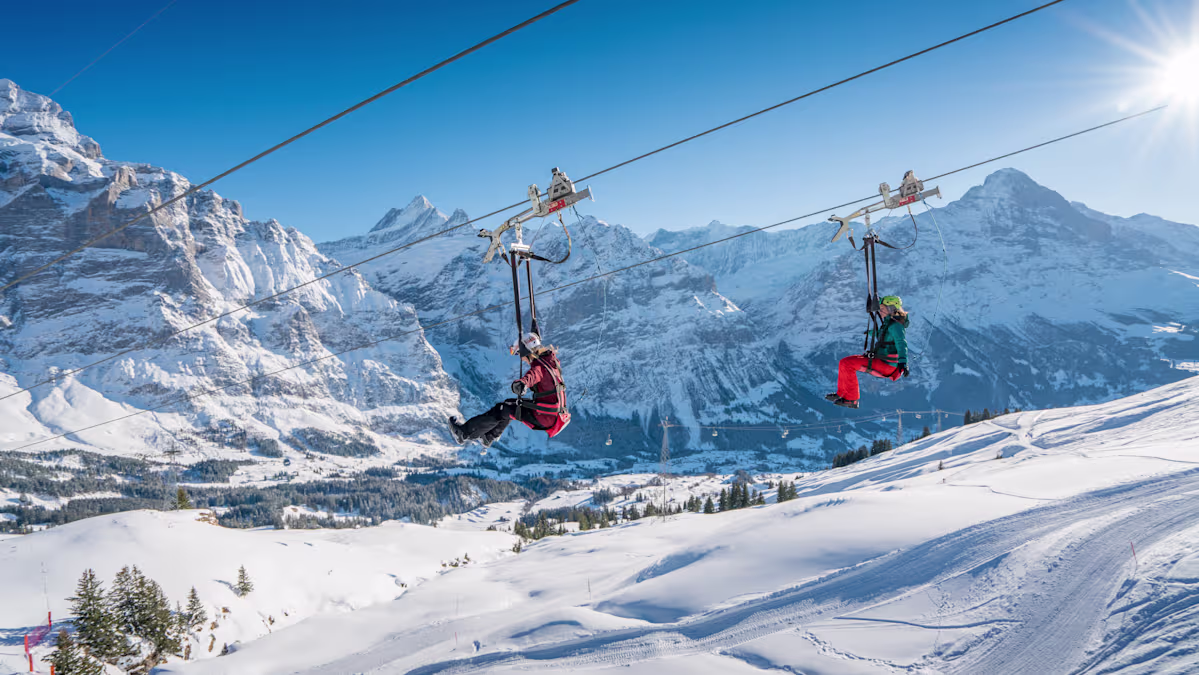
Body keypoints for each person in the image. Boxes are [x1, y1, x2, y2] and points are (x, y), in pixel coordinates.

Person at [448, 333, 570, 449]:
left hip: (544, 417)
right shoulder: (550, 361)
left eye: (519, 354)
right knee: (510, 405)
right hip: (553, 413)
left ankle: (464, 434)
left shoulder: (539, 367)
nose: (522, 359)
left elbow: (533, 375)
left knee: (504, 409)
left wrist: (522, 384)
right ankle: (488, 436)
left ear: (527, 351)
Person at [826, 295, 910, 409]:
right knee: (843, 362)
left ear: (891, 308)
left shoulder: (896, 326)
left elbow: (901, 343)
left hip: (886, 365)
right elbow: (884, 336)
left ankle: (851, 399)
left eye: (882, 308)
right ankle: (841, 393)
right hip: (881, 360)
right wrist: (870, 333)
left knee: (848, 364)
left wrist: (903, 362)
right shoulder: (889, 323)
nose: (880, 311)